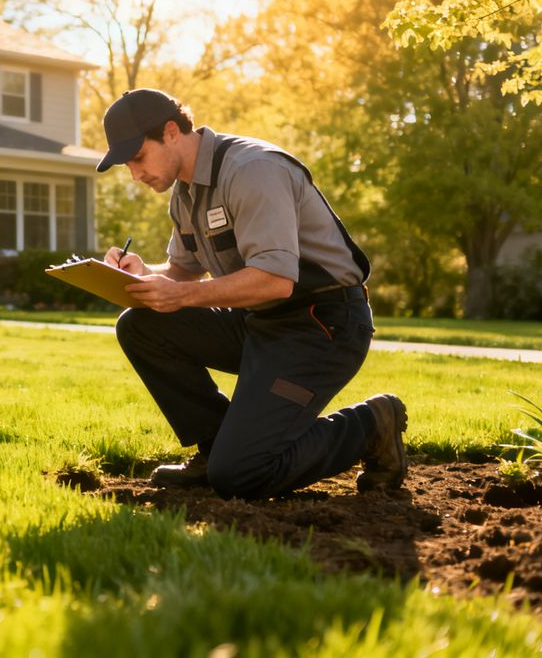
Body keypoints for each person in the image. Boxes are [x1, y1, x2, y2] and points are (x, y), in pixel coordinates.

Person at [96, 88, 407, 499]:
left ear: (171, 131)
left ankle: (369, 425)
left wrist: (179, 295)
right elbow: (183, 272)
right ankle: (215, 446)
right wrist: (141, 273)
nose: (135, 174)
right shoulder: (185, 193)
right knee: (141, 326)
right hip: (262, 321)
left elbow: (275, 280)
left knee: (242, 475)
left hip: (322, 325)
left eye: (137, 158)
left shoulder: (252, 170)